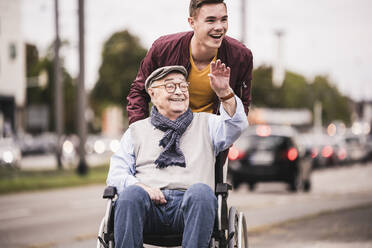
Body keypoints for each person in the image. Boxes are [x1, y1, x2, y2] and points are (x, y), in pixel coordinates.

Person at [107, 62, 248, 248]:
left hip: (191, 206)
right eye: (170, 86)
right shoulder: (136, 131)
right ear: (152, 93)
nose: (179, 91)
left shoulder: (207, 124)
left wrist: (224, 92)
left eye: (183, 86)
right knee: (131, 194)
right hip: (148, 206)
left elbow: (237, 126)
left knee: (201, 192)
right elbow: (116, 175)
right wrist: (142, 188)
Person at [127, 0, 253, 125]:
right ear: (192, 22)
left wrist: (225, 93)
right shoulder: (163, 49)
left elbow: (241, 108)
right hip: (166, 137)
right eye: (211, 20)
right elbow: (139, 92)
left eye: (224, 20)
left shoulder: (241, 56)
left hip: (211, 140)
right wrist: (140, 133)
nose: (219, 27)